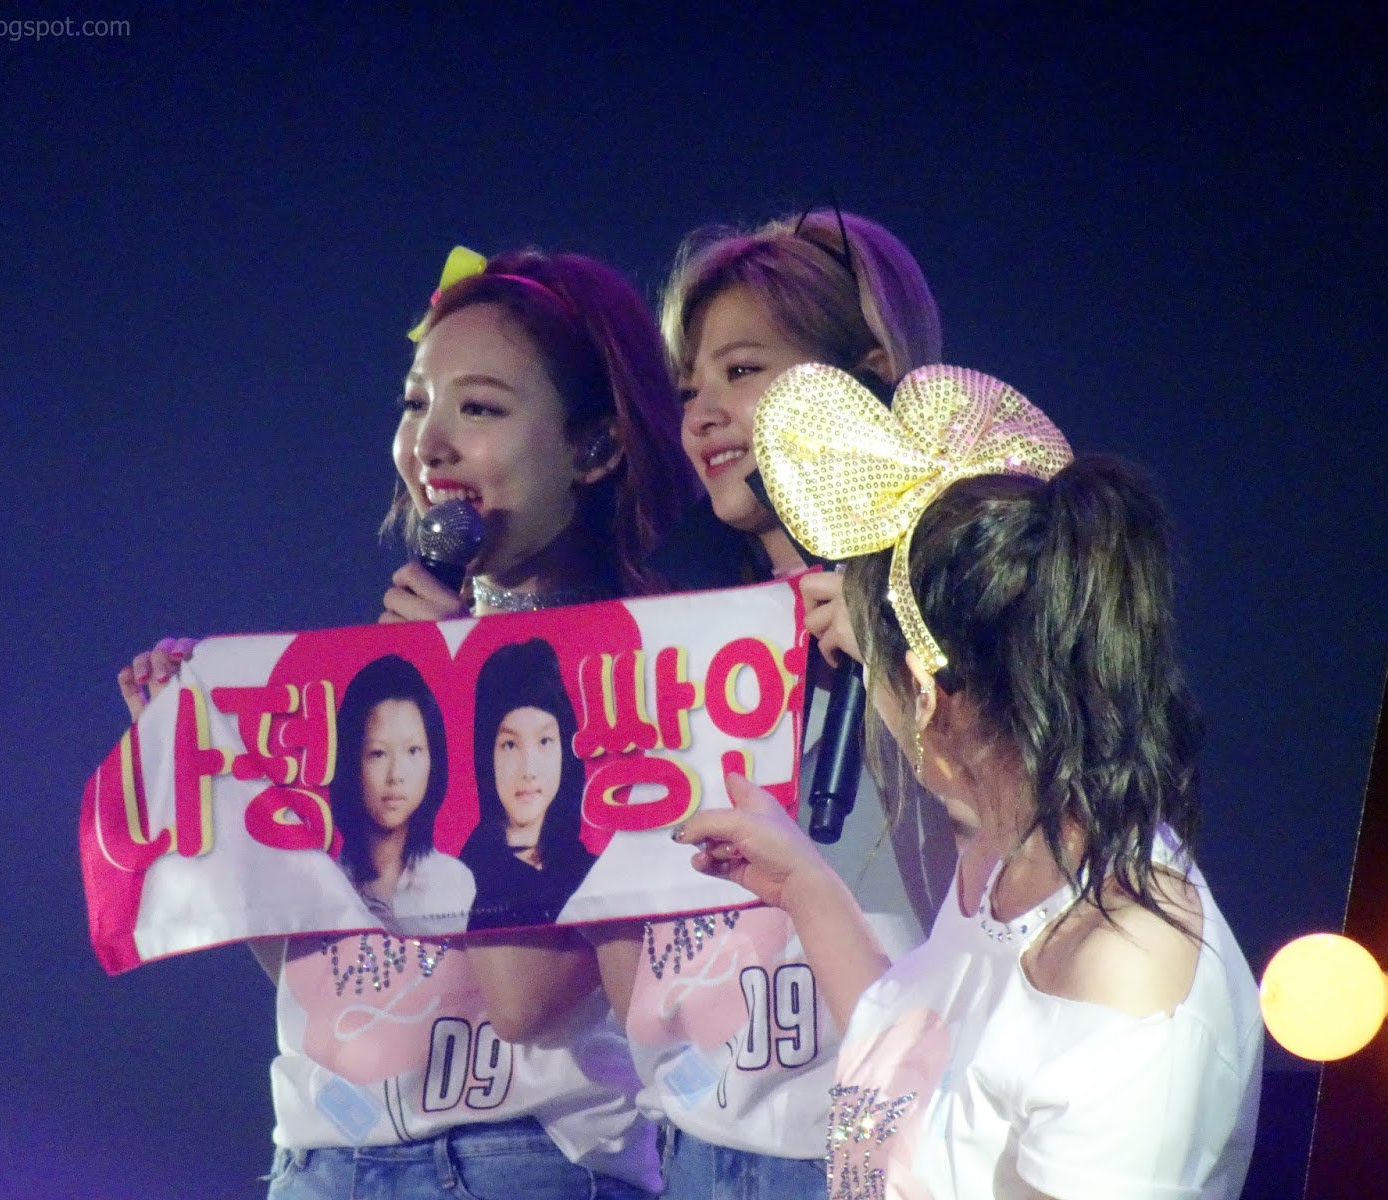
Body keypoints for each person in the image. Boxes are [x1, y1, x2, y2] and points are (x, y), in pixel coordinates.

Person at [121, 246, 698, 1200]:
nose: (429, 444)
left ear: (595, 447)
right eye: (414, 403)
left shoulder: (637, 680)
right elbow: (333, 980)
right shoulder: (383, 671)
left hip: (522, 1162)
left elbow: (523, 1000)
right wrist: (215, 775)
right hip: (320, 1160)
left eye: (480, 409)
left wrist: (464, 689)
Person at [679, 363, 1263, 1200]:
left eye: (870, 667)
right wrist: (806, 889)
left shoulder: (1122, 973)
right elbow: (911, 1073)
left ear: (923, 693)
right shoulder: (1008, 856)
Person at [601, 209, 956, 1199]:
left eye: (743, 370)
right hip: (699, 1148)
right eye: (690, 390)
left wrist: (901, 664)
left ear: (870, 375)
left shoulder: (960, 610)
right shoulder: (680, 646)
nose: (704, 416)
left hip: (878, 1142)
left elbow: (1011, 866)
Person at [331, 653, 475, 936]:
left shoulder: (455, 882)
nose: (396, 775)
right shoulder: (328, 883)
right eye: (378, 753)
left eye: (412, 751)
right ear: (351, 761)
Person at [460, 638, 595, 930]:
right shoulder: (461, 881)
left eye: (545, 741)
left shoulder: (592, 871)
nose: (529, 770)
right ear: (487, 755)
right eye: (510, 745)